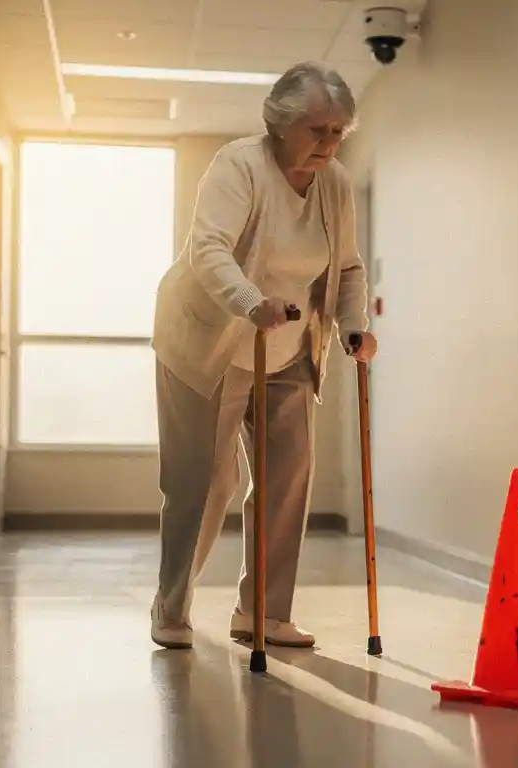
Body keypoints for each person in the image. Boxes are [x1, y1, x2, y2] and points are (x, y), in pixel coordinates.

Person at [149, 62, 376, 650]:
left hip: (289, 347)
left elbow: (347, 268)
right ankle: (172, 606)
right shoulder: (240, 165)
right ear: (280, 124)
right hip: (210, 341)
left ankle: (264, 614)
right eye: (317, 129)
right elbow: (209, 248)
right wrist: (251, 301)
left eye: (338, 132)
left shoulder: (336, 185)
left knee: (287, 479)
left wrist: (354, 327)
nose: (328, 143)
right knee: (203, 482)